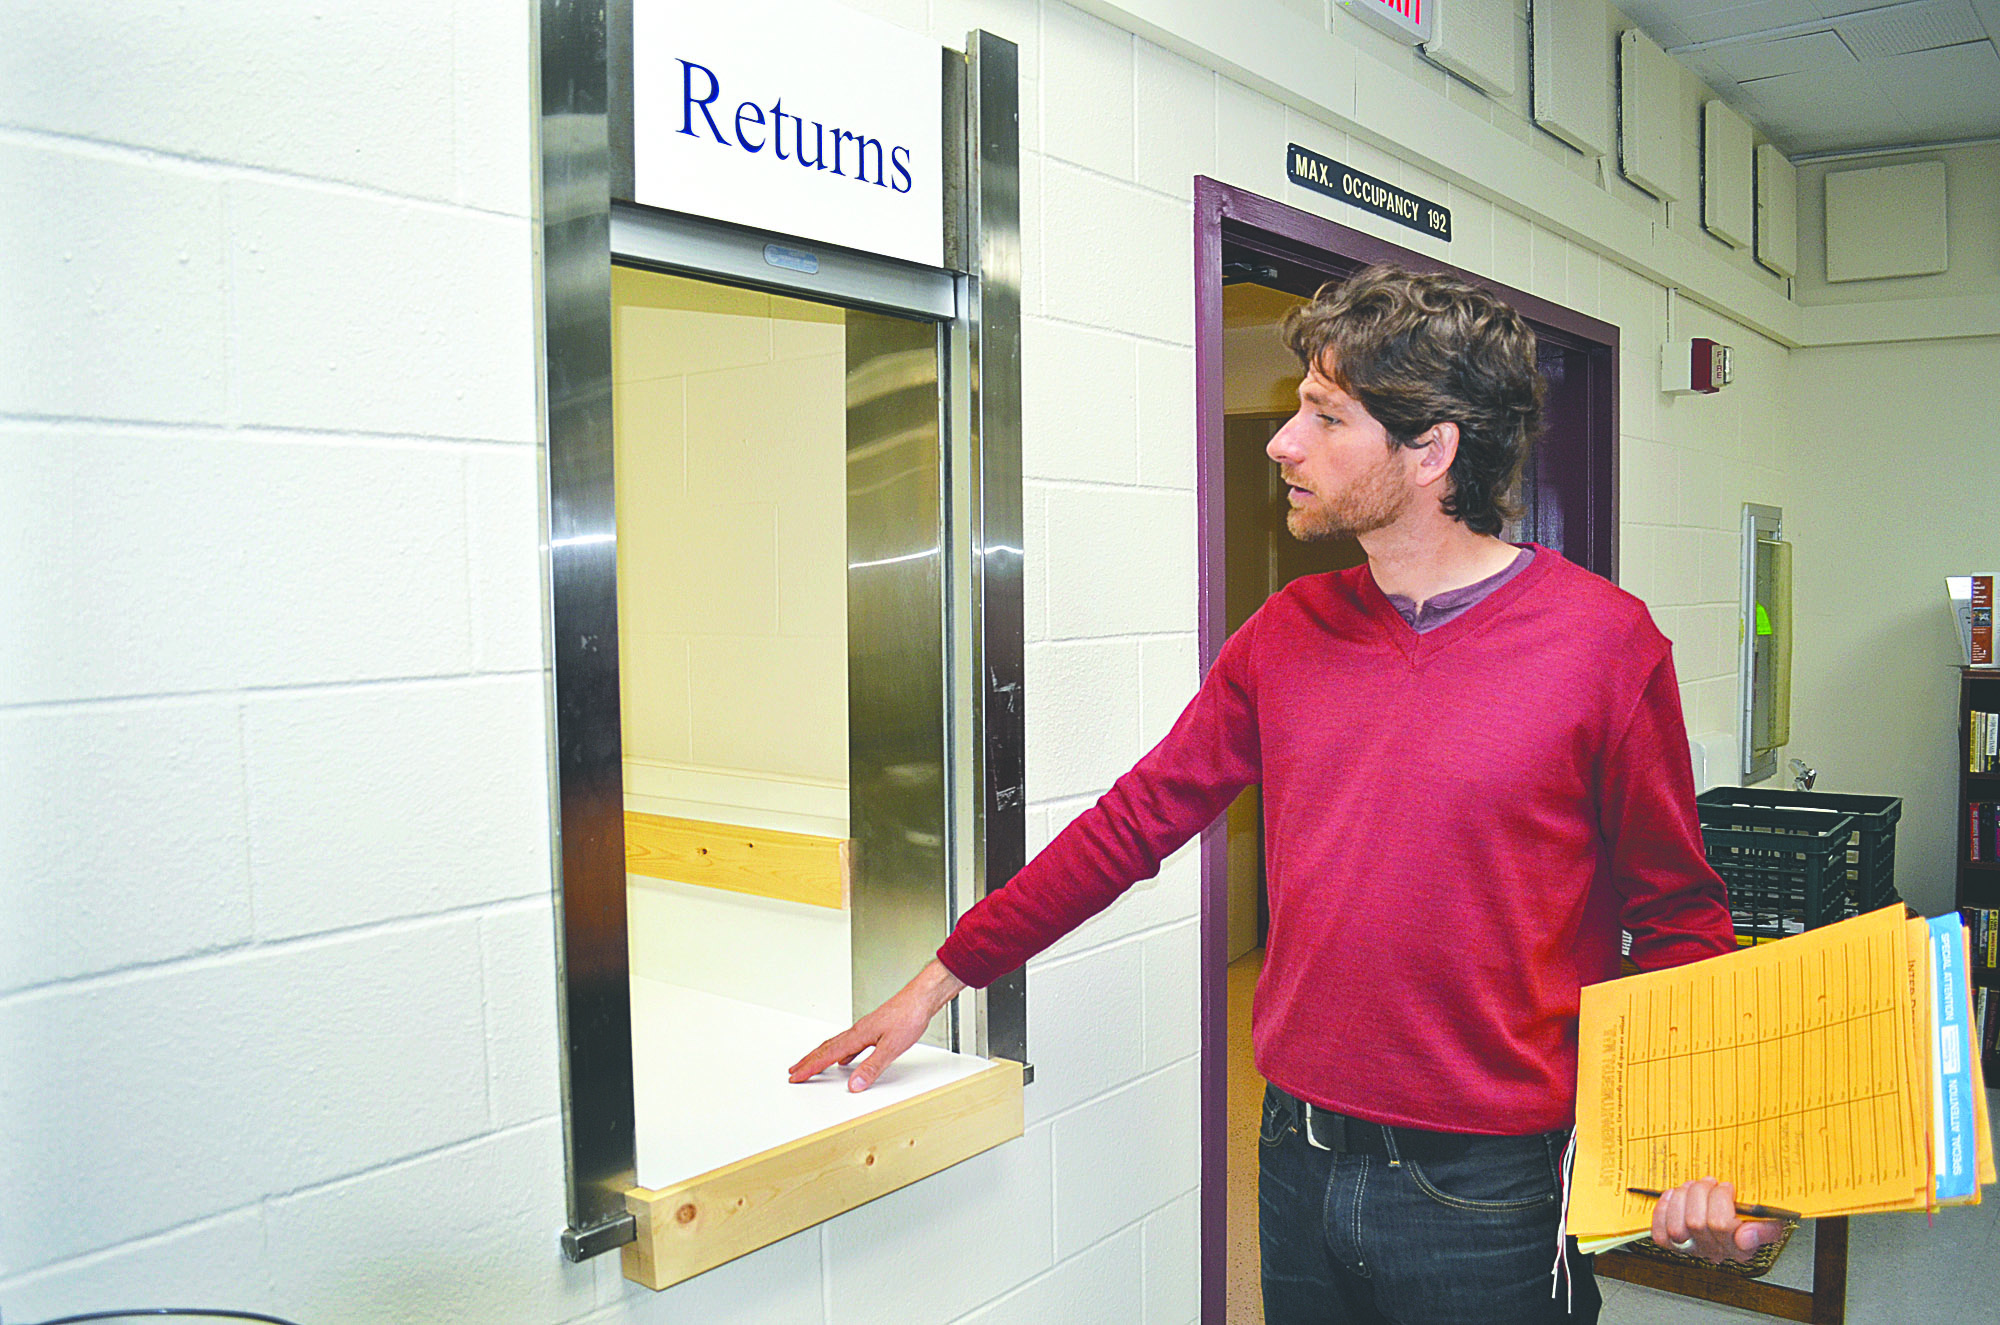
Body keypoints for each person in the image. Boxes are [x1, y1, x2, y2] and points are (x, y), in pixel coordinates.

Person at [790, 264, 1784, 1322]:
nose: (1281, 441)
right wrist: (942, 975)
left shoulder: (1600, 643)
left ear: (1429, 449)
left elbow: (1677, 919)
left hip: (1487, 1181)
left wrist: (1702, 1144)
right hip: (1294, 1151)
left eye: (1323, 415)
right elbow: (1134, 821)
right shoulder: (1287, 632)